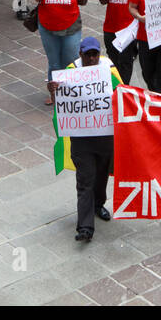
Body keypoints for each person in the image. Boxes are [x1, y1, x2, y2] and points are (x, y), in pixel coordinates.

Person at [50, 37, 121, 243]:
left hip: (105, 137)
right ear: (80, 55)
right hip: (81, 140)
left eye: (94, 54)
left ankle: (99, 205)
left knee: (101, 176)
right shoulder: (69, 72)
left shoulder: (109, 68)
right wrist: (53, 92)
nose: (91, 58)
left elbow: (121, 94)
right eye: (87, 54)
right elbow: (61, 106)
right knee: (85, 181)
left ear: (99, 54)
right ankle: (85, 228)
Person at [31, 0, 88, 100]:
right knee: (54, 62)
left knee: (70, 60)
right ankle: (54, 93)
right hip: (47, 28)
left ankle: (70, 92)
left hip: (71, 28)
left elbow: (83, 0)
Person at [97, 0, 139, 86]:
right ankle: (115, 88)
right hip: (110, 28)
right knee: (113, 61)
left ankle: (124, 89)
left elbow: (140, 4)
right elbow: (102, 1)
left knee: (126, 62)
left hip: (128, 30)